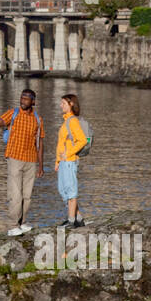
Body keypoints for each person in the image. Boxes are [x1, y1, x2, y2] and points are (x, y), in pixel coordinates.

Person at [0, 89, 44, 236]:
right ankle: (12, 226)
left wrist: (41, 165)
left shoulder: (38, 119)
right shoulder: (13, 113)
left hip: (31, 160)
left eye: (26, 99)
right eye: (21, 98)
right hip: (15, 158)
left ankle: (22, 223)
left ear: (33, 102)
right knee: (15, 194)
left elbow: (40, 143)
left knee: (27, 196)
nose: (23, 101)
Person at [54, 93, 86, 227]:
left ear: (71, 104)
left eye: (63, 103)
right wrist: (57, 162)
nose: (60, 105)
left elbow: (82, 140)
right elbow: (61, 143)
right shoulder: (66, 121)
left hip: (69, 161)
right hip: (63, 162)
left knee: (70, 191)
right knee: (63, 191)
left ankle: (71, 221)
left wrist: (68, 154)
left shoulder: (72, 121)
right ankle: (79, 217)